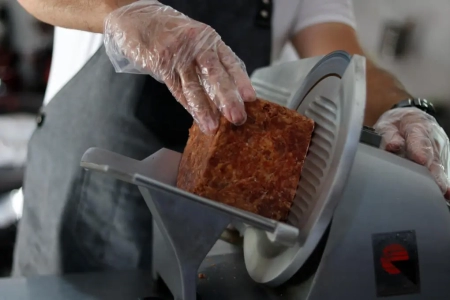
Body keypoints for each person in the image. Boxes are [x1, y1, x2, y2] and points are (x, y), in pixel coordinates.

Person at [12, 0, 449, 276]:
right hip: (80, 184)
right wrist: (122, 11)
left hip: (203, 213)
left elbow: (351, 61)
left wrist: (407, 106)